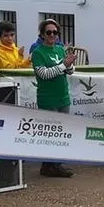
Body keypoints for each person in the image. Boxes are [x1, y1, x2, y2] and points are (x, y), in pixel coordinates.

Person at [32, 18, 77, 178]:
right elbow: (44, 74)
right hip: (48, 98)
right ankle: (48, 165)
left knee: (61, 132)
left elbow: (70, 71)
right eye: (48, 32)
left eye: (55, 32)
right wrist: (64, 65)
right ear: (42, 34)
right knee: (50, 133)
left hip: (62, 96)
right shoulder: (38, 52)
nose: (52, 35)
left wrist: (69, 65)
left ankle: (56, 164)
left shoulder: (59, 49)